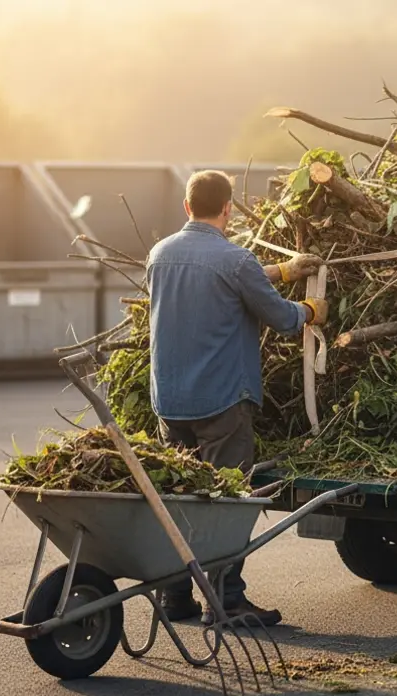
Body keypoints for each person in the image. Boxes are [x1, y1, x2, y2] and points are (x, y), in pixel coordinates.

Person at [147, 169, 327, 627]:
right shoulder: (236, 260)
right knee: (227, 503)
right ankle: (227, 600)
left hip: (169, 401)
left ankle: (175, 596)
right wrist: (310, 310)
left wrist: (281, 270)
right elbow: (282, 318)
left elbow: (213, 281)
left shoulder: (159, 255)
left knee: (179, 496)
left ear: (186, 207)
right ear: (228, 208)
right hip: (221, 401)